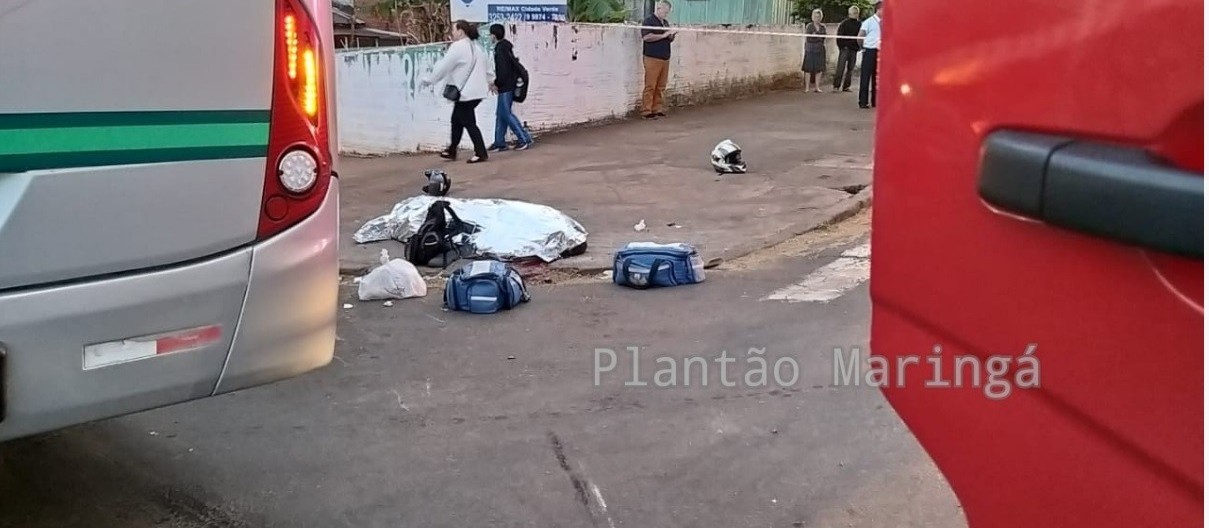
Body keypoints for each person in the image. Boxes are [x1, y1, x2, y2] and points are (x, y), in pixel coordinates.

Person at [420, 20, 492, 163]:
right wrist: (492, 81)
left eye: (453, 30)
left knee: (469, 122)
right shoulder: (477, 47)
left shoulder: (458, 47)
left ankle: (480, 152)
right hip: (476, 93)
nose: (452, 33)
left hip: (465, 93)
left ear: (460, 31)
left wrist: (430, 79)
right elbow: (488, 68)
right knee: (456, 120)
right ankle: (452, 150)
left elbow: (443, 67)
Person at [486, 23, 533, 152]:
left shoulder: (500, 50)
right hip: (508, 86)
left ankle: (524, 139)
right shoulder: (506, 48)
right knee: (501, 114)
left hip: (505, 87)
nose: (490, 37)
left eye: (490, 34)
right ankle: (499, 142)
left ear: (494, 35)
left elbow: (503, 71)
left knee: (506, 114)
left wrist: (496, 83)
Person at [640, 1, 677, 119]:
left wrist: (671, 35)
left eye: (667, 13)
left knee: (661, 85)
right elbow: (647, 37)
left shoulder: (665, 23)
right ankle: (646, 110)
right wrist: (664, 35)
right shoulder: (649, 21)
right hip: (652, 57)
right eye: (664, 12)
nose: (665, 15)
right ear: (659, 8)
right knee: (650, 85)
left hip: (665, 57)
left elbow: (668, 38)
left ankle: (657, 108)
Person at [857, 2, 883, 109]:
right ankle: (863, 101)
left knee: (877, 78)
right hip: (869, 51)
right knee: (865, 76)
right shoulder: (868, 22)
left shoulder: (886, 22)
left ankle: (875, 100)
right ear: (878, 9)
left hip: (881, 52)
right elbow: (860, 37)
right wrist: (863, 47)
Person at [832, 5, 862, 92]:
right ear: (849, 13)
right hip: (845, 49)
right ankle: (836, 86)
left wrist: (858, 47)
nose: (855, 14)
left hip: (853, 49)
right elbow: (839, 36)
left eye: (856, 13)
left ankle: (846, 86)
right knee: (840, 67)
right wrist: (842, 46)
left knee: (850, 69)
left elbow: (860, 36)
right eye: (853, 13)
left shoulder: (859, 24)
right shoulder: (844, 23)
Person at [800, 9, 827, 93]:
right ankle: (807, 87)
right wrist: (817, 37)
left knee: (819, 69)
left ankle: (817, 87)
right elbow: (809, 38)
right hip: (810, 50)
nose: (817, 18)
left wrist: (816, 35)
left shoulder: (823, 27)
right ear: (812, 17)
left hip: (820, 50)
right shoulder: (809, 26)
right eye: (815, 16)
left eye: (819, 17)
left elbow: (823, 37)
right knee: (808, 69)